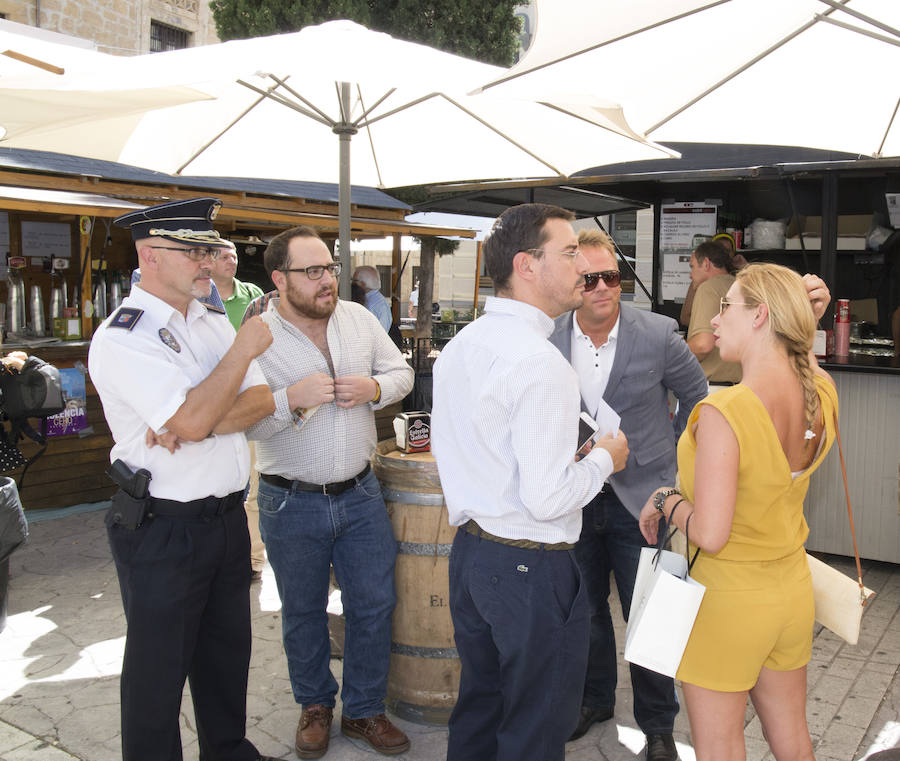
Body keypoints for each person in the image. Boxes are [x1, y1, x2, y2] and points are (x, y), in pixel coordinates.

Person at [431, 203, 630, 761]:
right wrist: (606, 459)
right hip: (530, 567)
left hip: (473, 556)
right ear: (526, 264)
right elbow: (547, 498)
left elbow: (491, 453)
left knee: (480, 710)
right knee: (536, 729)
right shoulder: (542, 364)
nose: (584, 271)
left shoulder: (463, 345)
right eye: (569, 254)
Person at [88, 197, 278, 761]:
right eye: (191, 250)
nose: (208, 261)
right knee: (157, 672)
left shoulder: (211, 317)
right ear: (149, 255)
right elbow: (196, 417)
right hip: (162, 529)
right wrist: (236, 360)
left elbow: (262, 401)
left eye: (208, 248)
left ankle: (228, 751)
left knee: (225, 656)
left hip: (225, 520)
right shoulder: (124, 336)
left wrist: (191, 419)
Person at [638, 263, 838, 761]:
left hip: (726, 601)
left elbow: (711, 531)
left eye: (727, 305)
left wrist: (666, 500)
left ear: (759, 317)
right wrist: (803, 320)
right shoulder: (822, 394)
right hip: (790, 592)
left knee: (720, 746)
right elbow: (803, 362)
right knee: (792, 737)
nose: (714, 320)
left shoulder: (726, 413)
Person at [246, 225, 414, 759]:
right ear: (279, 279)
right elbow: (243, 424)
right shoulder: (258, 337)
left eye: (330, 268)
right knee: (302, 610)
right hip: (289, 499)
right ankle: (315, 705)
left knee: (374, 604)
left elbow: (402, 372)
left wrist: (376, 389)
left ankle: (364, 710)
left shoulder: (359, 319)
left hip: (361, 493)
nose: (327, 280)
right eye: (312, 271)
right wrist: (288, 400)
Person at [549, 228, 707, 761]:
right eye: (588, 278)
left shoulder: (659, 333)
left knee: (651, 612)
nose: (600, 288)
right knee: (583, 608)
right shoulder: (546, 336)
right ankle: (593, 699)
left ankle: (658, 725)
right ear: (572, 282)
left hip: (642, 498)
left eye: (611, 277)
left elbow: (699, 399)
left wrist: (673, 470)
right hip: (574, 494)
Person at [209, 238, 267, 578]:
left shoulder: (253, 295)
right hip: (216, 400)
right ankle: (223, 555)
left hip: (251, 396)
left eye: (233, 256)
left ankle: (253, 560)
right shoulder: (197, 298)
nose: (231, 261)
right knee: (225, 483)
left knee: (254, 488)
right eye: (224, 256)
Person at [686, 240, 741, 386]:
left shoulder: (708, 288)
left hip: (712, 388)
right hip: (740, 387)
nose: (690, 275)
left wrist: (672, 353)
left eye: (692, 267)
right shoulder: (741, 286)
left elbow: (703, 344)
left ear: (706, 263)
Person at [680, 236, 747, 329]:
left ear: (733, 253)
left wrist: (746, 267)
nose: (723, 253)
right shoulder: (699, 282)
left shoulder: (740, 281)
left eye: (727, 250)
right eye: (719, 248)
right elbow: (685, 317)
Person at [211, 239, 265, 331]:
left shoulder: (252, 292)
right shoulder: (197, 294)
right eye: (224, 258)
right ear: (210, 262)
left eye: (234, 257)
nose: (232, 262)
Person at [351, 265, 392, 331]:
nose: (352, 283)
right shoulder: (378, 301)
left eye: (354, 281)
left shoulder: (373, 304)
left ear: (362, 283)